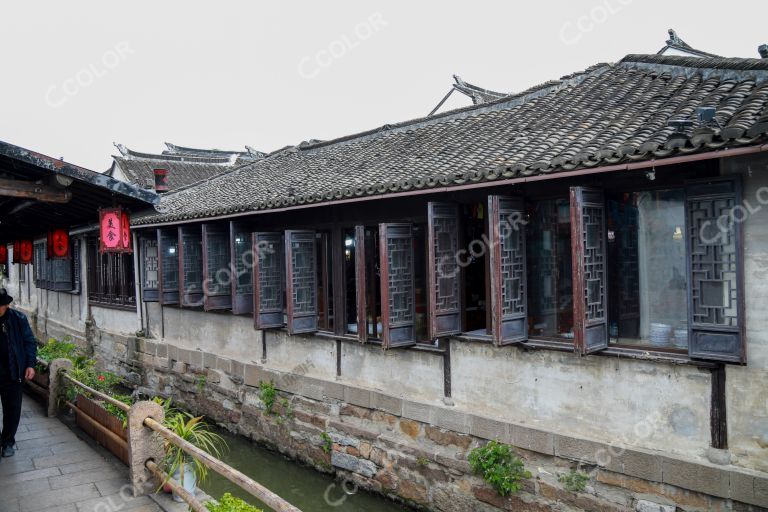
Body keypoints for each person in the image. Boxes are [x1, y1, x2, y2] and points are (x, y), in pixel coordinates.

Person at [0, 288, 37, 459]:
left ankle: (8, 442)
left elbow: (29, 342)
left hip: (13, 372)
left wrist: (30, 364)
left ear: (6, 305)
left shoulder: (18, 319)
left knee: (12, 409)